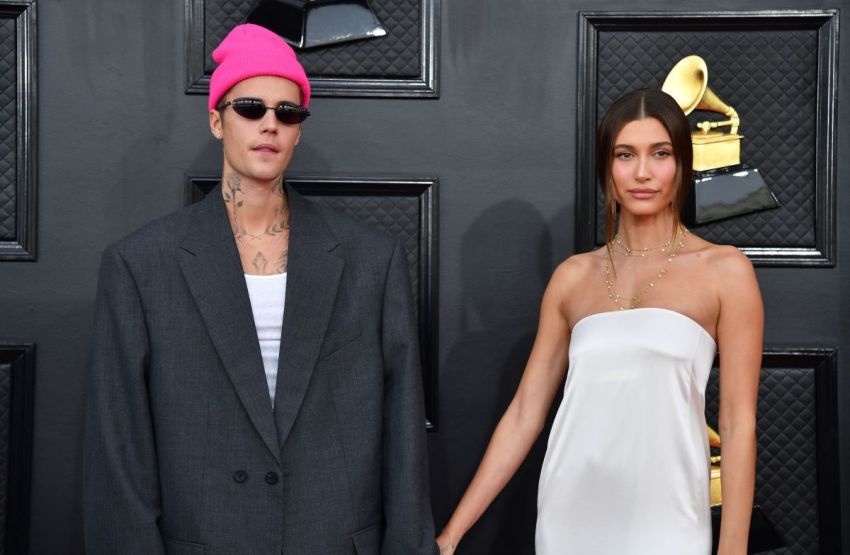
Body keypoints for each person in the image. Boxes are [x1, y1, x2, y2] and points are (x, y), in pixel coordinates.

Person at [83, 23, 438, 554]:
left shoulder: (370, 259)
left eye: (287, 112)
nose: (269, 124)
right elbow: (119, 449)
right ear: (216, 120)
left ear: (298, 130)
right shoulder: (140, 265)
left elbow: (403, 431)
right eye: (250, 107)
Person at [436, 89, 762, 555]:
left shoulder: (726, 272)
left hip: (668, 519)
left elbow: (736, 424)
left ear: (683, 166)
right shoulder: (572, 278)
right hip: (570, 514)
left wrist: (733, 548)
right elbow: (525, 413)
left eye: (661, 154)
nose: (643, 172)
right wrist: (451, 537)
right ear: (606, 168)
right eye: (625, 155)